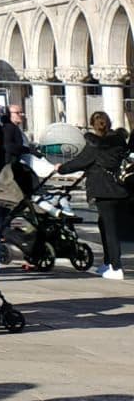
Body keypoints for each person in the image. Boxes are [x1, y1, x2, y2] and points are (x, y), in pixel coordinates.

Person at [69, 110, 129, 279]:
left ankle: (116, 267)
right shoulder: (118, 142)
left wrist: (61, 168)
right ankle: (108, 263)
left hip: (103, 190)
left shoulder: (95, 144)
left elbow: (80, 162)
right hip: (119, 188)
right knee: (105, 225)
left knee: (109, 229)